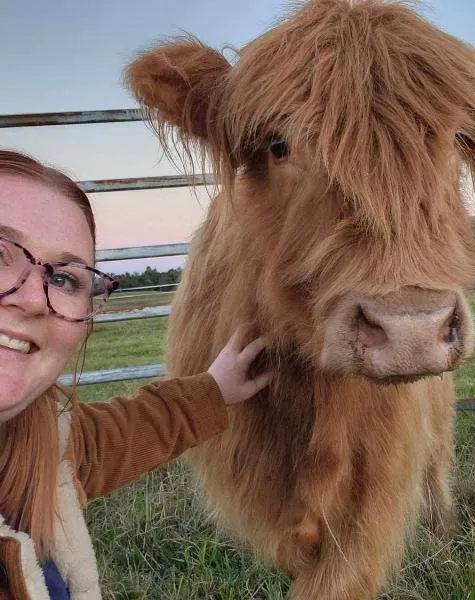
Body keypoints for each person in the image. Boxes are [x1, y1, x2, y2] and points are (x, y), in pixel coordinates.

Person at [0, 149, 272, 599]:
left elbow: (122, 433)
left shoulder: (43, 442)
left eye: (64, 279)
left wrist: (215, 391)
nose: (32, 298)